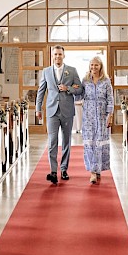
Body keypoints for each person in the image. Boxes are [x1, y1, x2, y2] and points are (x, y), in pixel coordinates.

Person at [36, 45, 82, 184]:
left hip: (67, 110)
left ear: (64, 55)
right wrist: (38, 108)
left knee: (66, 141)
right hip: (52, 111)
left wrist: (67, 88)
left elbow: (79, 88)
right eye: (55, 54)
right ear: (52, 56)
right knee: (52, 141)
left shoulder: (72, 71)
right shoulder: (46, 72)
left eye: (60, 54)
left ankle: (64, 169)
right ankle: (53, 171)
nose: (57, 57)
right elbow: (41, 91)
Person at [79, 55, 114, 185]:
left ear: (100, 66)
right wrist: (70, 90)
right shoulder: (85, 80)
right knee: (90, 143)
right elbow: (80, 96)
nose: (93, 67)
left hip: (102, 115)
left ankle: (98, 168)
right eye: (91, 65)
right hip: (88, 116)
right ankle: (92, 172)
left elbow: (110, 99)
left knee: (99, 142)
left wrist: (110, 115)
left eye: (96, 65)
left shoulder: (106, 81)